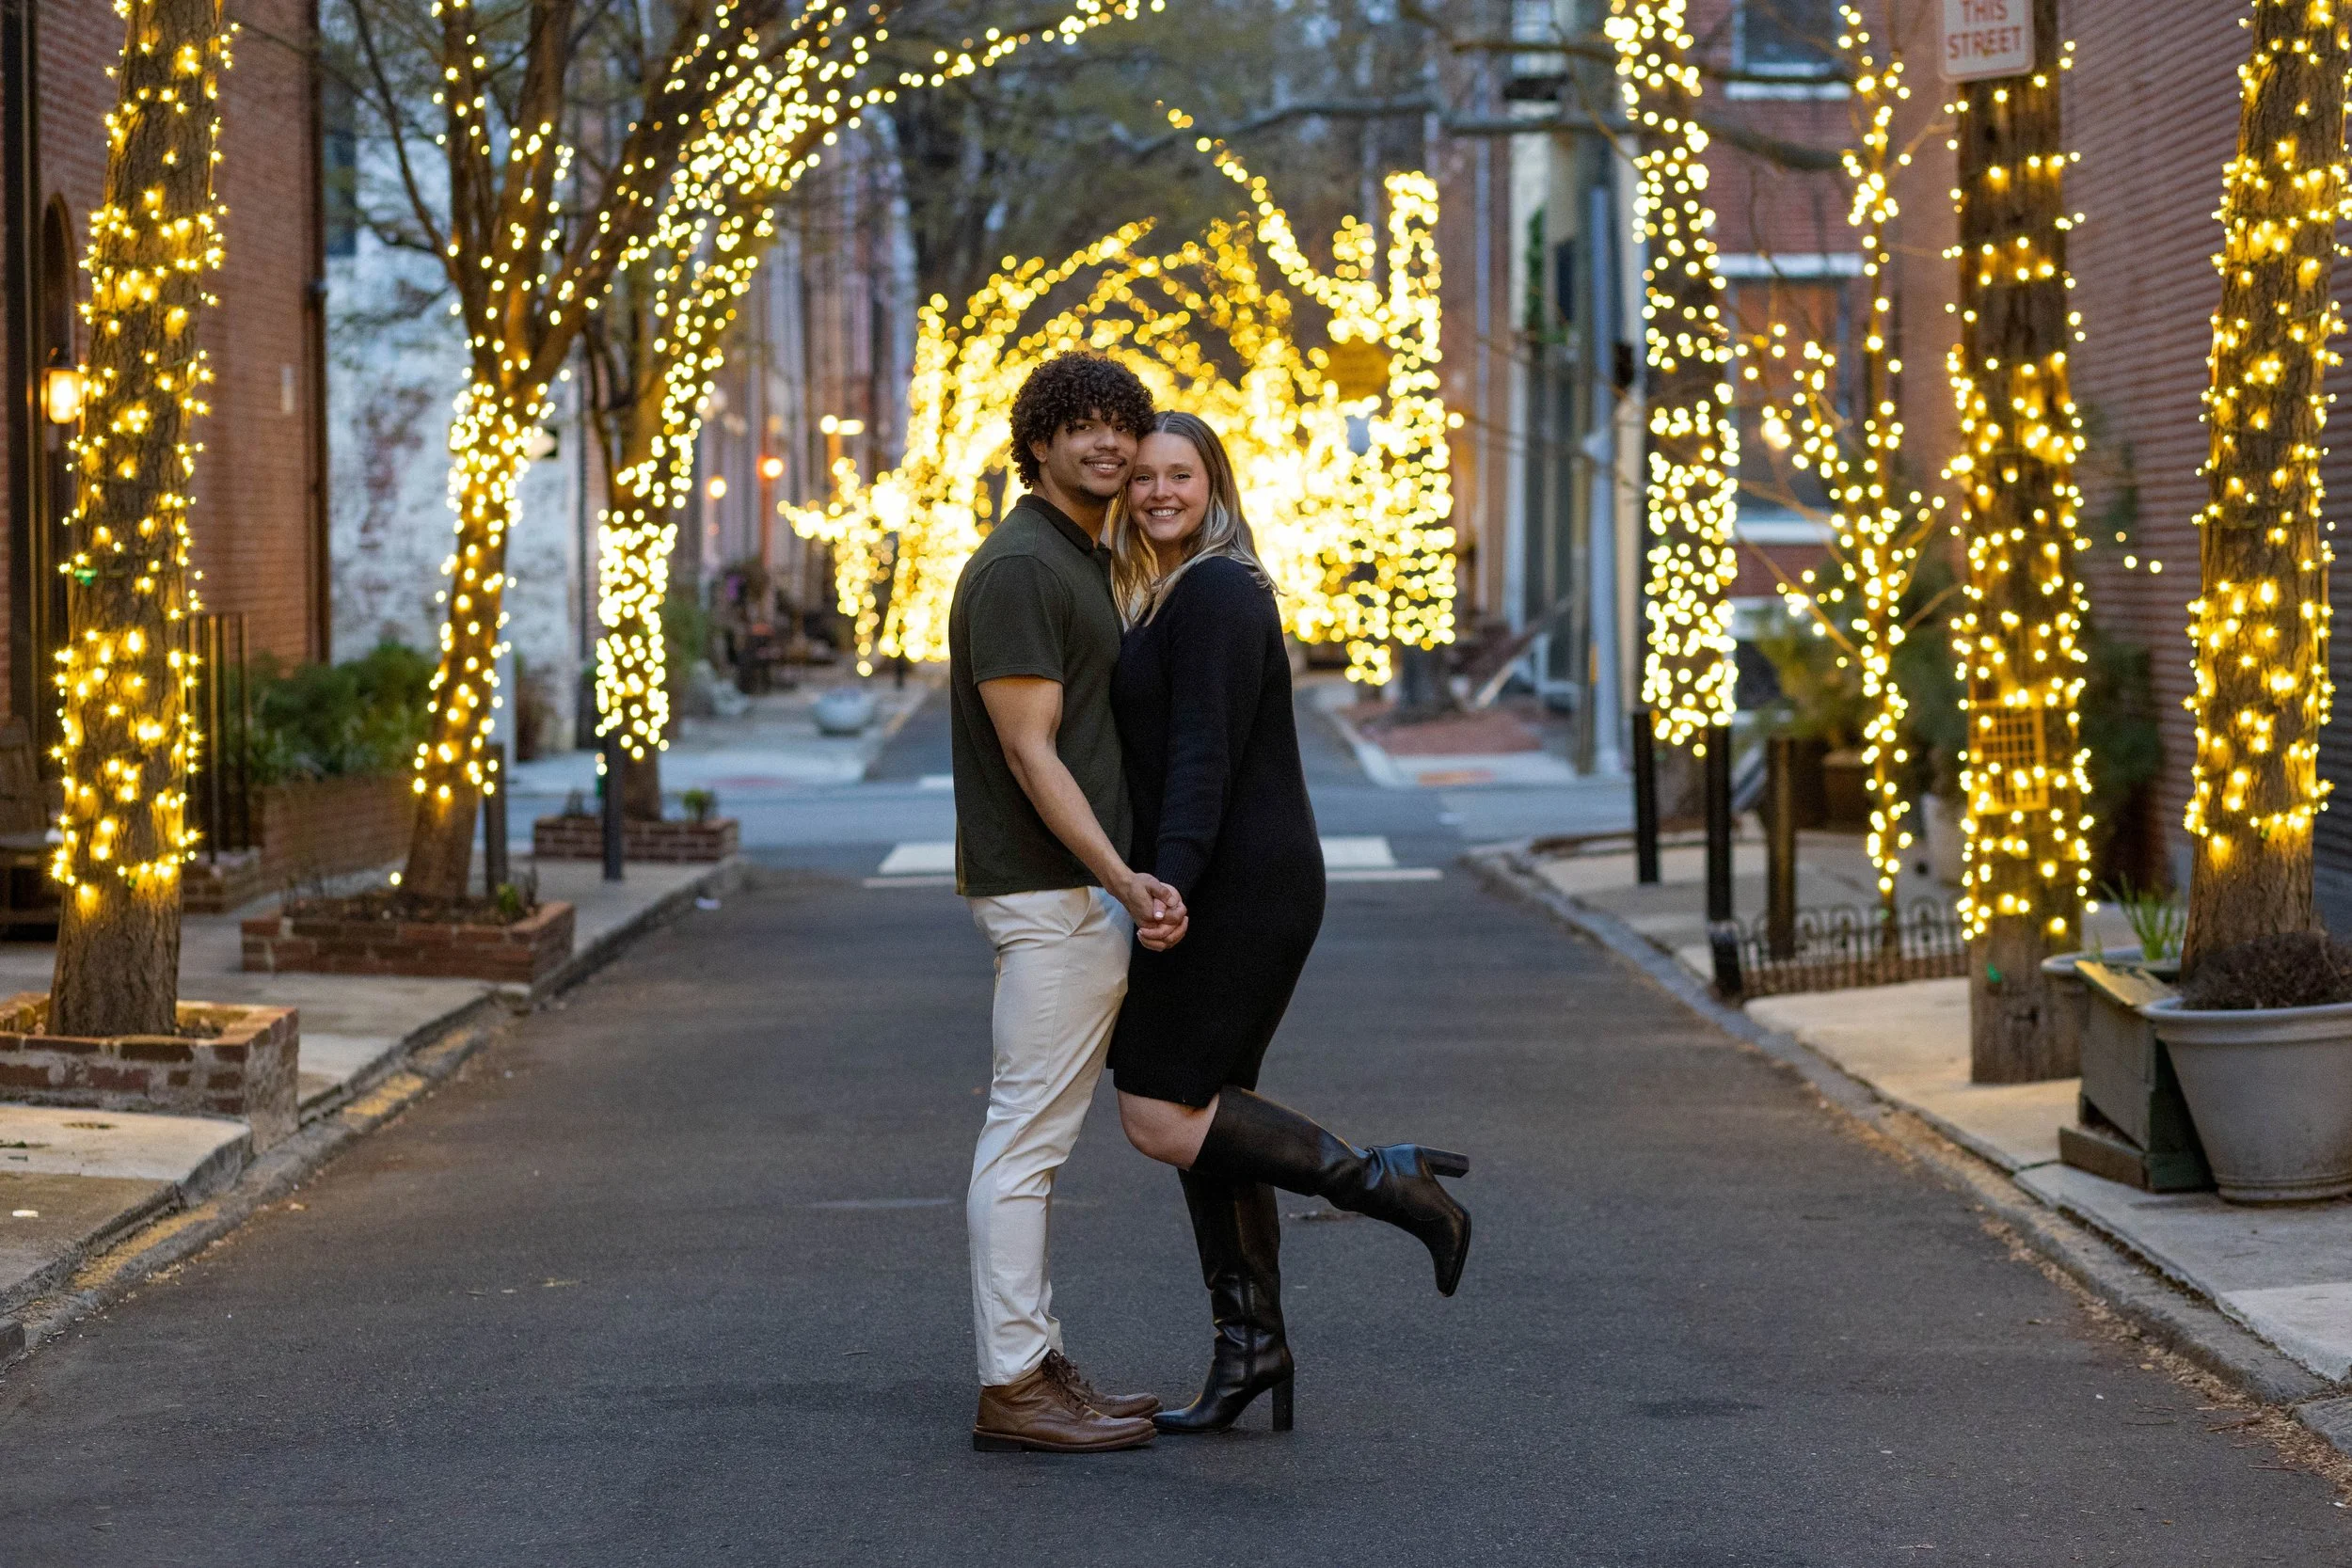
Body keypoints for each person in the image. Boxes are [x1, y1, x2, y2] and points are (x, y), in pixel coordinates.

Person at [1104, 411, 1472, 1435]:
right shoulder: (1159, 592)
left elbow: (1202, 755)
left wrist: (1164, 885)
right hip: (1227, 875)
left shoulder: (1217, 588)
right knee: (1208, 1116)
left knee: (1157, 1105)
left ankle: (1386, 1182)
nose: (1157, 493)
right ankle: (1252, 1345)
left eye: (1179, 474)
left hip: (1237, 882)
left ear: (1214, 485)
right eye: (1140, 477)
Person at [948, 353, 1186, 1455]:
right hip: (1051, 893)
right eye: (1078, 424)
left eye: (1120, 424)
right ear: (1035, 441)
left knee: (1033, 1140)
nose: (1106, 441)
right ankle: (1013, 1381)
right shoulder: (1018, 570)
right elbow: (1030, 751)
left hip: (1074, 891)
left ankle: (1037, 1362)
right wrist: (1117, 873)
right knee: (1024, 1145)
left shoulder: (1076, 554)